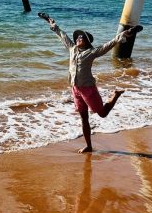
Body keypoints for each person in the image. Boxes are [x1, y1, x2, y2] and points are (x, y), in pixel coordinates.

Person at [46, 16, 136, 153]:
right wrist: (53, 25)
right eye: (77, 38)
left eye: (81, 38)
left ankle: (115, 95)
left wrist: (123, 34)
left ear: (87, 42)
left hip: (88, 89)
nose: (77, 39)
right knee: (83, 117)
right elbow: (62, 36)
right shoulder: (72, 49)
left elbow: (109, 45)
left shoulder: (92, 52)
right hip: (75, 89)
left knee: (102, 113)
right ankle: (89, 146)